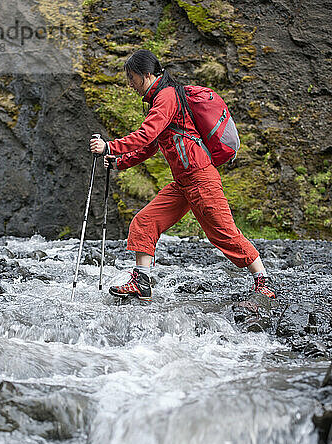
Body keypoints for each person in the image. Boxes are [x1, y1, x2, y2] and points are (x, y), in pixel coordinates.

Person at [89, 49, 276, 302]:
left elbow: (146, 134)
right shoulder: (161, 100)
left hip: (200, 178)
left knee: (223, 233)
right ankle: (141, 283)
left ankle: (263, 281)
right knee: (144, 221)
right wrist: (119, 162)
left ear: (146, 75)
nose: (129, 84)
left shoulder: (166, 97)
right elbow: (151, 145)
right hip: (183, 183)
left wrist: (110, 147)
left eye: (131, 78)